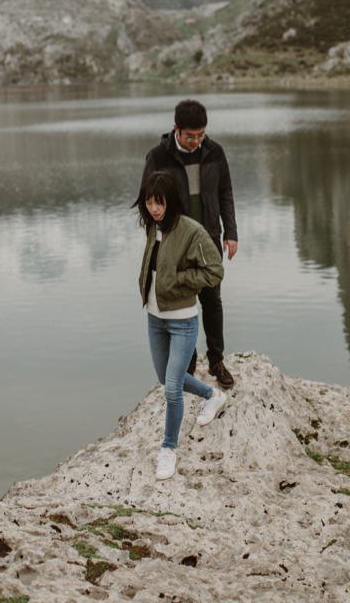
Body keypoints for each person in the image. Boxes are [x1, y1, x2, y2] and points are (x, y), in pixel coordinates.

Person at [135, 170, 228, 480]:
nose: (154, 208)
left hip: (182, 320)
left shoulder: (191, 231)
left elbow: (215, 271)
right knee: (166, 378)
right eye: (149, 202)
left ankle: (169, 449)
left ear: (171, 201)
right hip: (154, 318)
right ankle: (214, 396)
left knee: (172, 389)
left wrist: (182, 281)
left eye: (159, 202)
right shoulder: (153, 227)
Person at [140, 99, 238, 389]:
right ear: (176, 130)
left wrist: (230, 232)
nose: (196, 141)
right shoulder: (158, 157)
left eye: (201, 135)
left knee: (212, 300)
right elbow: (148, 202)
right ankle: (189, 363)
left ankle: (216, 359)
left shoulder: (215, 152)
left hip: (207, 238)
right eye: (190, 136)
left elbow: (226, 193)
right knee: (183, 305)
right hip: (176, 243)